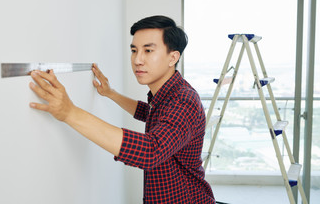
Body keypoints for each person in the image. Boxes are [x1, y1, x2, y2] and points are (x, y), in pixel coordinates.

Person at [29, 15, 215, 203]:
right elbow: (148, 113)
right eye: (134, 50)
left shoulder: (184, 100)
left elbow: (151, 150)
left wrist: (70, 112)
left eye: (148, 50)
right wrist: (111, 93)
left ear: (173, 57)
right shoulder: (167, 94)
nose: (137, 60)